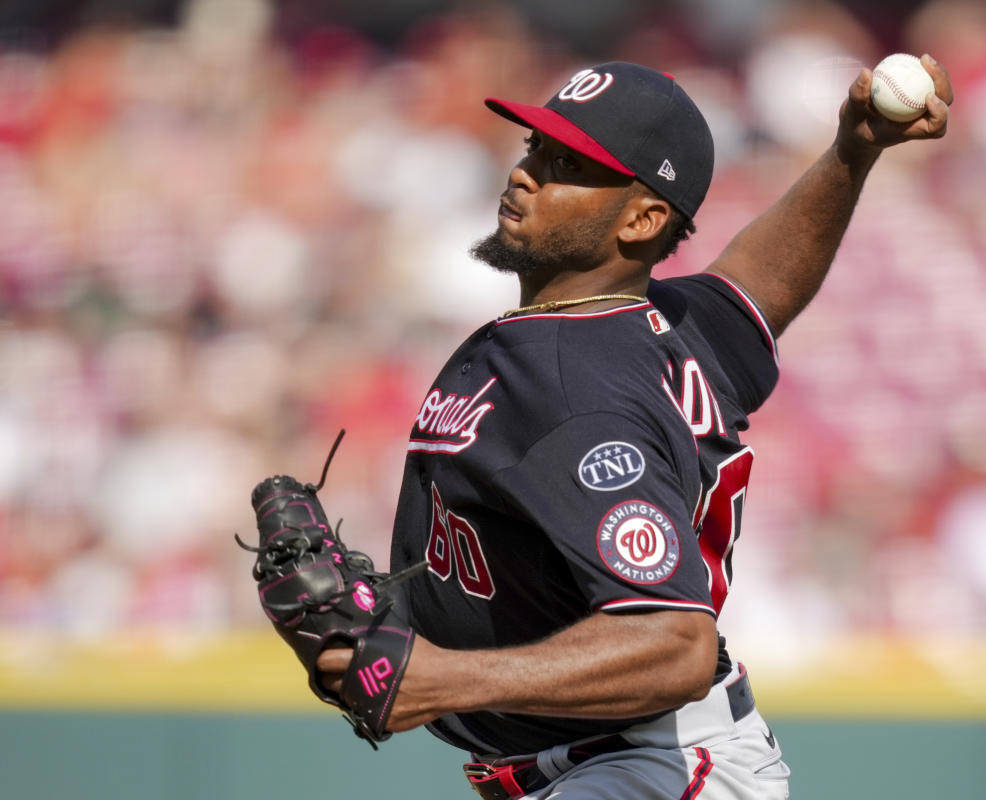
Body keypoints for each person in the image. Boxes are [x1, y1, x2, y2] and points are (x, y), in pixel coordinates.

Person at [317, 57, 952, 799]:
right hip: (617, 763)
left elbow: (673, 646)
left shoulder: (574, 388)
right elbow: (758, 282)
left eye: (567, 166)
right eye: (534, 150)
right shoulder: (667, 326)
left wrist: (444, 677)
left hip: (644, 767)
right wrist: (854, 148)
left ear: (644, 219)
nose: (526, 175)